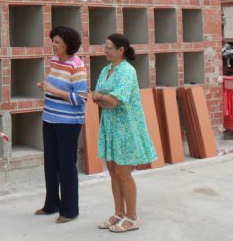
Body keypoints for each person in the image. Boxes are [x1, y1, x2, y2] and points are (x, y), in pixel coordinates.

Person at [92, 33, 157, 233]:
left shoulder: (128, 71)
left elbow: (114, 100)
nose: (105, 50)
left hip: (125, 127)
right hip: (110, 125)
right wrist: (103, 98)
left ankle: (132, 217)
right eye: (105, 46)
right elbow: (96, 98)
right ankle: (119, 212)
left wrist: (102, 97)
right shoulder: (106, 70)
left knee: (123, 172)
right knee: (112, 170)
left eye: (109, 47)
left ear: (121, 50)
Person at [35, 26, 87, 223]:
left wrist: (53, 90)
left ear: (67, 44)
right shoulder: (55, 60)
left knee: (66, 165)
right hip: (50, 117)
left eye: (57, 42)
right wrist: (46, 87)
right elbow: (55, 85)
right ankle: (51, 204)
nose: (53, 45)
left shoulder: (77, 66)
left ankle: (69, 210)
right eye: (53, 41)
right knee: (50, 163)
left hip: (68, 122)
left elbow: (81, 97)